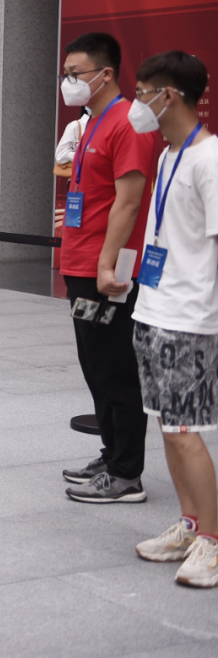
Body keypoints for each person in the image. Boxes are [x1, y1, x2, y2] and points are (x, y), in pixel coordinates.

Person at [125, 52, 218, 587]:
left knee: (186, 431)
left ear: (170, 96)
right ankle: (189, 525)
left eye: (143, 93)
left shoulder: (210, 159)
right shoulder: (167, 156)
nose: (138, 103)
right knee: (167, 423)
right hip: (152, 308)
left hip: (189, 318)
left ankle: (212, 541)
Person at [58, 32, 163, 504]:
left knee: (116, 368)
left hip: (108, 270)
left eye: (75, 74)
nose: (68, 82)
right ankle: (111, 453)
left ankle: (126, 474)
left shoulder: (129, 123)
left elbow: (129, 201)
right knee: (95, 366)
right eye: (65, 74)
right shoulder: (93, 122)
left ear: (105, 74)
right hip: (82, 263)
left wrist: (105, 265)